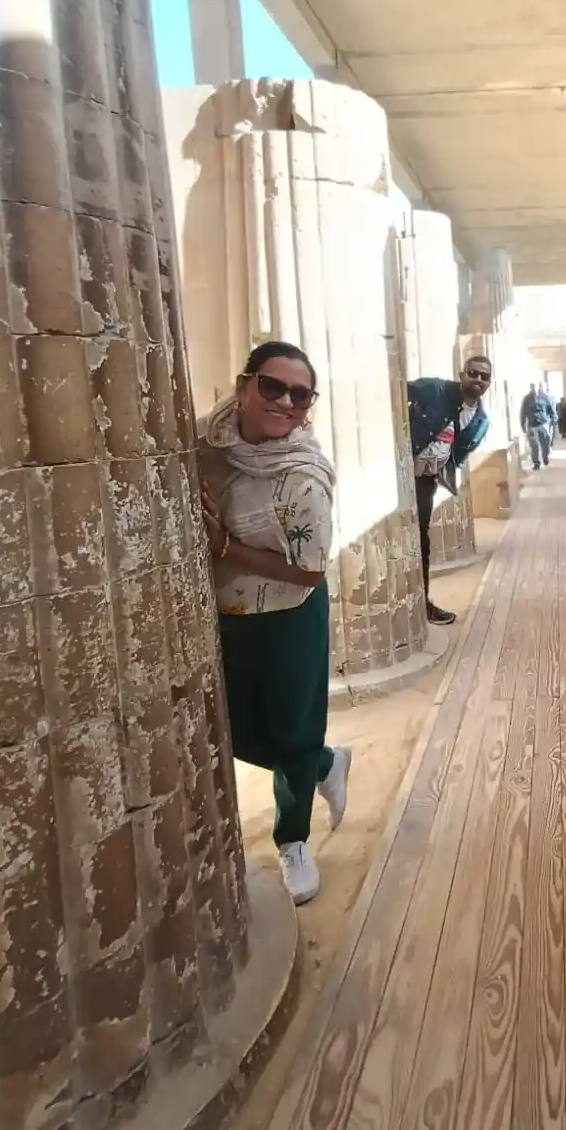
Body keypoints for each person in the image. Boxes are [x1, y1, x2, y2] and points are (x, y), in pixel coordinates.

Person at [199, 341, 348, 907]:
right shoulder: (209, 444)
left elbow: (308, 574)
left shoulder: (303, 477)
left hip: (289, 613)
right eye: (272, 386)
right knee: (231, 728)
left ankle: (294, 841)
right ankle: (327, 763)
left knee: (291, 729)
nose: (285, 401)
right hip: (226, 610)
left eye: (300, 393)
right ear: (243, 386)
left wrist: (226, 547)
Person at [406, 356, 492, 625]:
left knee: (421, 542)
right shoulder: (435, 389)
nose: (477, 379)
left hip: (426, 481)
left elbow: (458, 453)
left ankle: (421, 604)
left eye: (484, 376)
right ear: (462, 373)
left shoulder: (481, 420)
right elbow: (394, 393)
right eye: (473, 373)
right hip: (401, 474)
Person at [520, 382, 556, 470]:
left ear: (539, 388)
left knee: (546, 443)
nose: (534, 389)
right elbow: (523, 412)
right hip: (532, 425)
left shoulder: (545, 397)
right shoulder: (527, 399)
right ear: (530, 388)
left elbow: (550, 410)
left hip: (543, 424)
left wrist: (553, 418)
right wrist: (523, 424)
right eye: (532, 387)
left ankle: (545, 456)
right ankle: (536, 463)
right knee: (534, 445)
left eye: (536, 387)